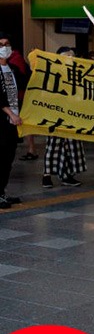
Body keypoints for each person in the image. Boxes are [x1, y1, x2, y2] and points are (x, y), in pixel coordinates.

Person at [40, 47, 88, 188]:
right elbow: (45, 95)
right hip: (54, 116)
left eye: (72, 56)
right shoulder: (52, 74)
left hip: (71, 116)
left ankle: (66, 174)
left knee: (71, 146)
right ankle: (46, 175)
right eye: (67, 56)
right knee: (53, 145)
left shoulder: (77, 75)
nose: (70, 58)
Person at [0, 36, 24, 209]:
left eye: (7, 44)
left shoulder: (13, 69)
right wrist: (10, 113)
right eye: (1, 45)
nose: (4, 47)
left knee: (8, 158)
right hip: (3, 121)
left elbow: (29, 83)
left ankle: (2, 192)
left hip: (13, 122)